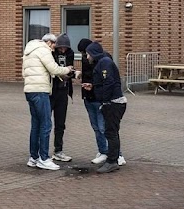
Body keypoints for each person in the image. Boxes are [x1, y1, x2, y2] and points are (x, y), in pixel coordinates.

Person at [22, 33, 73, 170]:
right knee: (46, 124)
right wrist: (67, 69)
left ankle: (33, 157)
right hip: (41, 91)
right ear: (49, 42)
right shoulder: (43, 50)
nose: (54, 47)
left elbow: (24, 73)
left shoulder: (28, 51)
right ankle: (44, 158)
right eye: (54, 44)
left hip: (30, 90)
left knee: (36, 125)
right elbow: (54, 69)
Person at [81, 41, 127, 174]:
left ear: (93, 53)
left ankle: (113, 160)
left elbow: (109, 83)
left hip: (113, 103)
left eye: (88, 54)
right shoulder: (102, 62)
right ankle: (113, 159)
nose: (87, 57)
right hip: (111, 102)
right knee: (110, 131)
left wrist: (105, 101)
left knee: (111, 132)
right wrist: (93, 87)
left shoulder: (105, 62)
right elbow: (103, 83)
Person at [77, 38, 113, 166]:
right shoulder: (86, 59)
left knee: (103, 127)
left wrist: (93, 86)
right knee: (96, 127)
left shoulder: (104, 61)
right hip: (88, 97)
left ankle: (115, 153)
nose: (84, 56)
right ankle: (103, 151)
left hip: (98, 98)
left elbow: (106, 81)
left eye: (85, 53)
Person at [49, 34, 74, 163]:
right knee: (46, 123)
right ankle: (41, 150)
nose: (63, 50)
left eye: (65, 48)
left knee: (60, 123)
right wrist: (62, 71)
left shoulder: (70, 53)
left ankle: (58, 150)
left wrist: (69, 73)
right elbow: (53, 70)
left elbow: (70, 70)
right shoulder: (51, 53)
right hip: (51, 92)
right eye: (61, 48)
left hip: (63, 91)